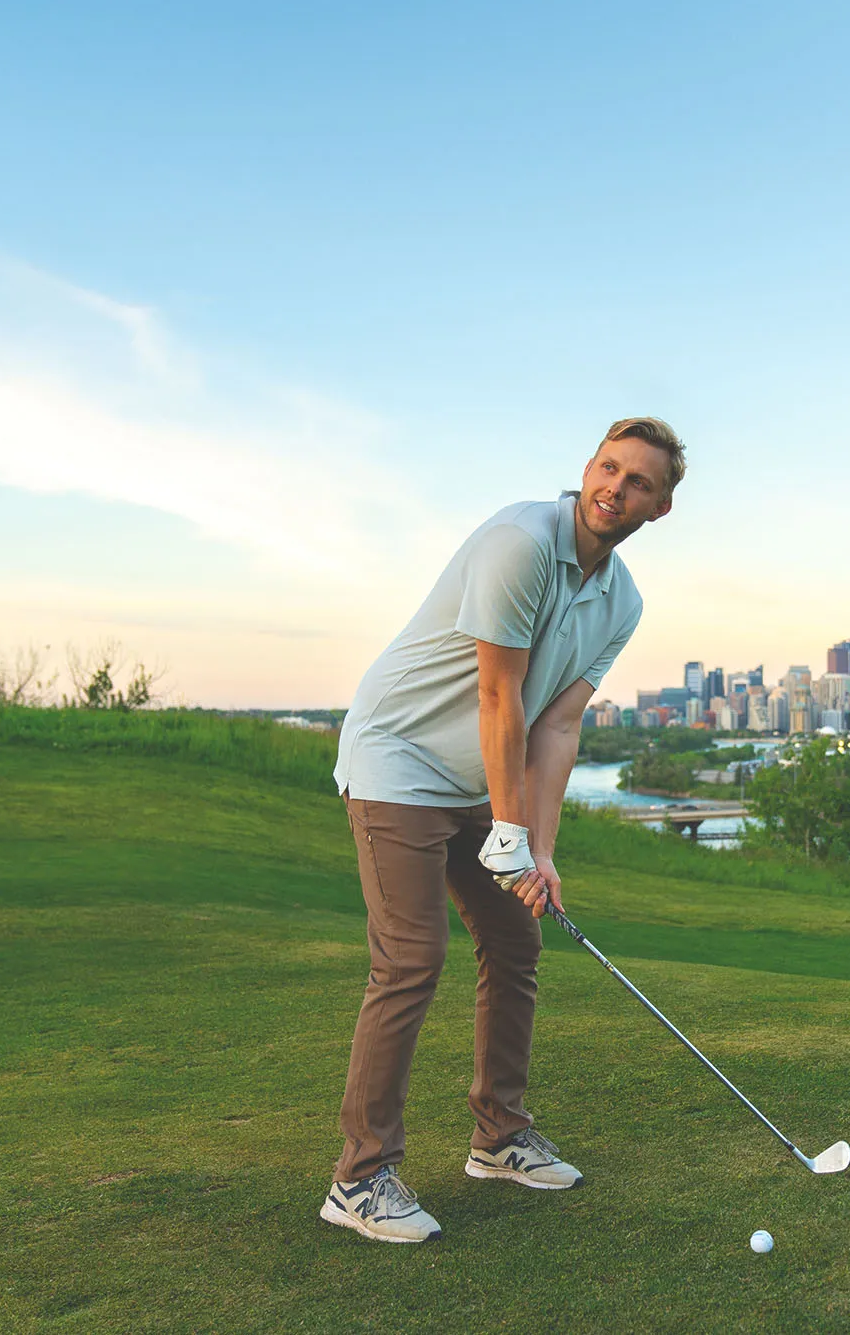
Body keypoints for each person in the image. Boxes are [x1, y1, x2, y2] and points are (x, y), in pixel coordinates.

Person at [319, 417, 683, 1243]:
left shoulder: (621, 600)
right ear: (587, 467)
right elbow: (498, 698)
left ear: (658, 509)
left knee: (517, 940)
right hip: (398, 757)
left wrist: (539, 852)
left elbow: (556, 728)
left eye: (637, 483)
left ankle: (499, 1135)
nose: (614, 488)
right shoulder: (520, 542)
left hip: (481, 774)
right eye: (608, 467)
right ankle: (361, 1176)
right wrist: (509, 832)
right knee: (412, 956)